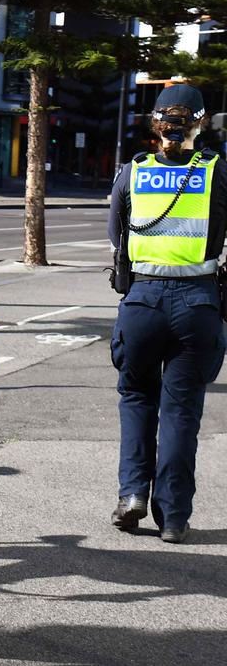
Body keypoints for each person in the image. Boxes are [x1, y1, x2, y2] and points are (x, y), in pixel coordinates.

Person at [108, 83, 226, 544]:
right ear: (200, 121)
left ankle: (132, 494)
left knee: (137, 398)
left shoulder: (132, 173)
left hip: (141, 302)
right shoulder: (217, 172)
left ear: (155, 124)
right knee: (181, 411)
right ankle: (174, 517)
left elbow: (116, 236)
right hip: (198, 303)